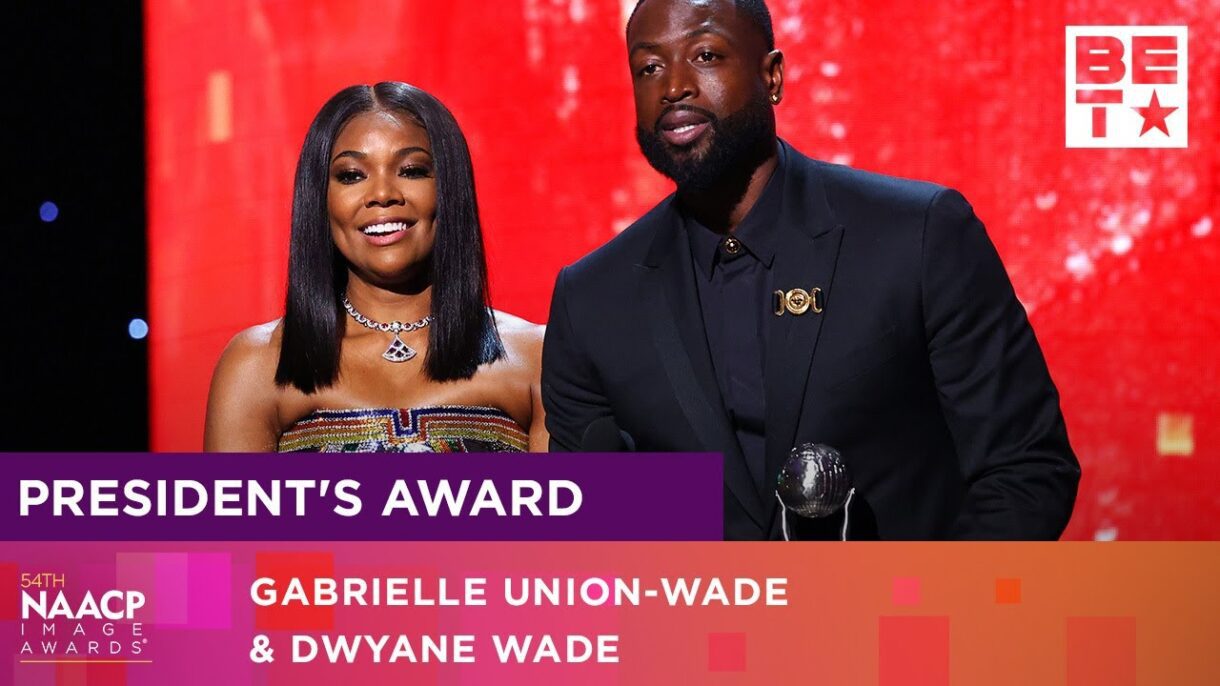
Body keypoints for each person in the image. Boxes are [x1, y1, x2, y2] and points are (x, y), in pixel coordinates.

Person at [541, 0, 1080, 539]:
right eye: (649, 67)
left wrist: (922, 594)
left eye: (705, 55)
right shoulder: (591, 301)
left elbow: (1026, 470)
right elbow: (589, 527)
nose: (674, 86)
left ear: (772, 76)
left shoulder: (919, 236)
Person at [205, 82, 546, 453]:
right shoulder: (258, 365)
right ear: (320, 199)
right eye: (352, 175)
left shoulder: (535, 358)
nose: (382, 194)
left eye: (411, 170)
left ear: (449, 189)